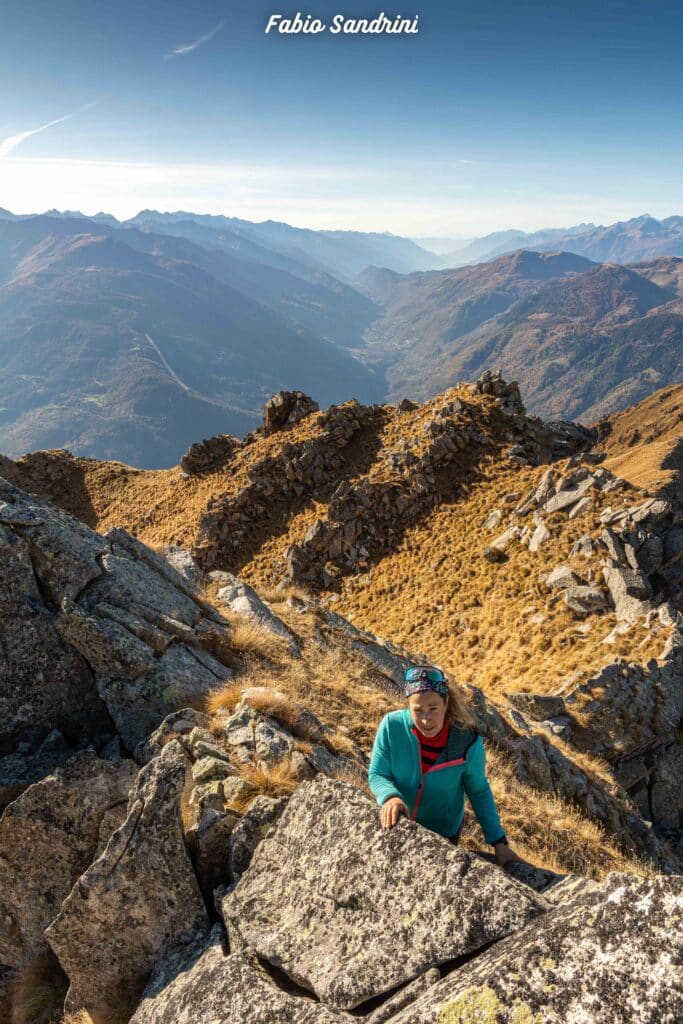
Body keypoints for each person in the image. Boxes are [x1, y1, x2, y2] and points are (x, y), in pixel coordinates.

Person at [368, 665, 522, 869]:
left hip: (444, 834)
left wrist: (499, 843)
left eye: (433, 708)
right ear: (408, 707)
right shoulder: (391, 726)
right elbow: (377, 774)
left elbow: (478, 791)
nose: (426, 719)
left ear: (446, 703)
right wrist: (390, 796)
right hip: (400, 825)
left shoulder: (466, 743)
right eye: (418, 710)